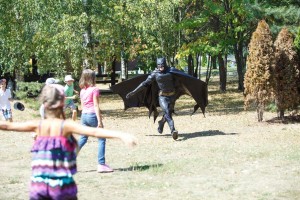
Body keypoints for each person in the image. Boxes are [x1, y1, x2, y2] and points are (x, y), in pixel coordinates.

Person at [0, 84, 137, 200]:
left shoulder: (37, 125)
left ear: (44, 104)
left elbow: (7, 126)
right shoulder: (65, 126)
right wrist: (121, 135)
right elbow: (95, 132)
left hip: (38, 186)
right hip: (62, 187)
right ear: (62, 103)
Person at [126, 57, 178, 140]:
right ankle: (173, 130)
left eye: (162, 65)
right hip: (162, 96)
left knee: (168, 113)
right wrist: (134, 92)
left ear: (165, 64)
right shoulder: (155, 73)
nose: (160, 66)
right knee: (167, 112)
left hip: (172, 96)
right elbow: (145, 83)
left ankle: (161, 123)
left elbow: (183, 77)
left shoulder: (171, 70)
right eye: (159, 65)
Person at [77, 69, 113, 173]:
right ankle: (101, 164)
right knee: (102, 139)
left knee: (83, 138)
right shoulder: (94, 90)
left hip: (84, 116)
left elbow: (83, 106)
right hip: (92, 115)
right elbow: (96, 105)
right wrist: (99, 121)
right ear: (92, 78)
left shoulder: (82, 90)